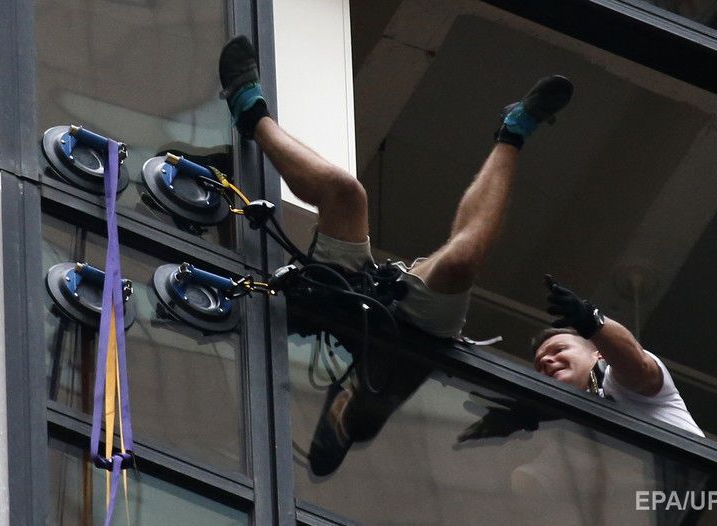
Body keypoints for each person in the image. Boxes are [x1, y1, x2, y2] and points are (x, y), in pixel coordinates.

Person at [219, 35, 573, 475]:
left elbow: (327, 449)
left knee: (346, 195)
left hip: (346, 296)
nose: (340, 413)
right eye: (341, 421)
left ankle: (250, 112)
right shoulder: (375, 404)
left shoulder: (353, 396)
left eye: (337, 418)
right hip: (407, 322)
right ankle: (513, 133)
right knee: (459, 258)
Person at [533, 275, 703, 436]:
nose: (546, 360)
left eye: (559, 350)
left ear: (599, 355)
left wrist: (590, 321)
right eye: (539, 365)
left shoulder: (617, 385)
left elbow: (639, 368)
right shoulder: (563, 432)